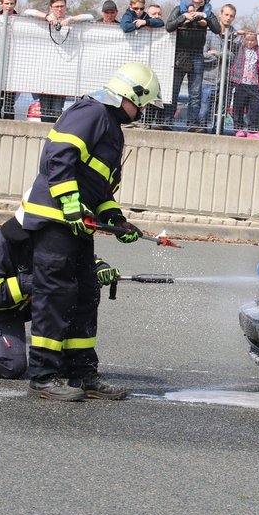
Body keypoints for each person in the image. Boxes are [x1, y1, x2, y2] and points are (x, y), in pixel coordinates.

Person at [19, 62, 161, 401]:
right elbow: (57, 156)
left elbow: (97, 187)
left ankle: (81, 373)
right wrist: (69, 201)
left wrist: (117, 221)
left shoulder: (111, 126)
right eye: (141, 104)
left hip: (78, 225)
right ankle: (43, 376)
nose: (141, 111)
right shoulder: (91, 112)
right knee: (54, 297)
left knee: (85, 294)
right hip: (56, 220)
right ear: (129, 94)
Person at [0, 215, 120, 379]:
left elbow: (76, 260)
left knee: (76, 292)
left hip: (25, 301)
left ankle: (68, 361)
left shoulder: (50, 238)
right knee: (10, 365)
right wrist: (33, 282)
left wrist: (98, 268)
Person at [163, 0, 221, 132]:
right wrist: (184, 17)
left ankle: (193, 124)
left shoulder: (207, 11)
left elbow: (217, 29)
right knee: (173, 90)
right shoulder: (179, 9)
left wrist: (204, 16)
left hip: (197, 54)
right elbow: (169, 26)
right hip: (180, 54)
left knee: (195, 93)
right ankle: (167, 122)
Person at [200, 4, 237, 132]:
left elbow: (233, 57)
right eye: (226, 14)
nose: (228, 18)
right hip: (207, 79)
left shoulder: (235, 35)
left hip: (225, 81)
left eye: (231, 16)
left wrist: (217, 53)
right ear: (220, 14)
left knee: (221, 112)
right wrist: (220, 57)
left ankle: (218, 132)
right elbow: (203, 55)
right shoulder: (210, 32)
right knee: (204, 110)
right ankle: (201, 132)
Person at [230, 31, 259, 138]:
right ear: (244, 40)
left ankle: (252, 130)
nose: (250, 42)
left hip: (253, 84)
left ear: (256, 41)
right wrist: (238, 34)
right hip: (240, 82)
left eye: (252, 40)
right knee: (239, 106)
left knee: (254, 108)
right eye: (247, 40)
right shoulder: (239, 48)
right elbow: (232, 42)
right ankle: (238, 128)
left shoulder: (258, 50)